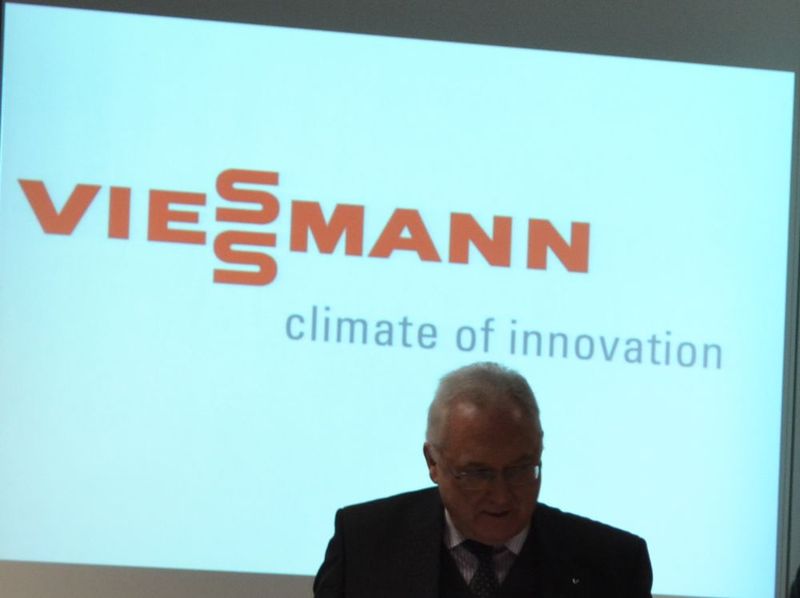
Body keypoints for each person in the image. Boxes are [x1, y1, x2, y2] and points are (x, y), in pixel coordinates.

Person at [314, 362, 653, 597]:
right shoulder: (364, 545)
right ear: (433, 462)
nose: (501, 496)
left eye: (520, 470)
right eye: (478, 474)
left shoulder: (613, 564)